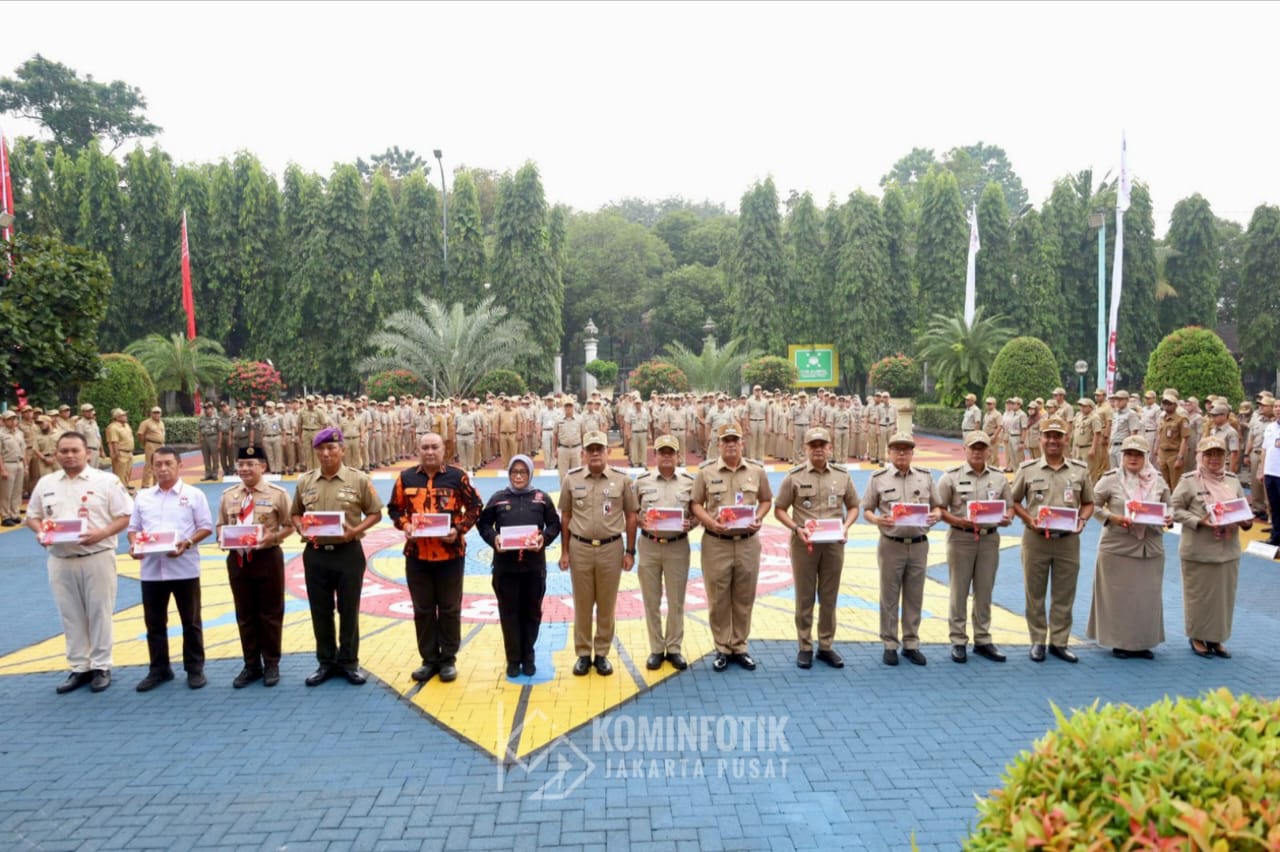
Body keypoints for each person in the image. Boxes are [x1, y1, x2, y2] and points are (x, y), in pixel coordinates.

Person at [26, 431, 133, 693]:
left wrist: (102, 533)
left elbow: (125, 515)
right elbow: (32, 516)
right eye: (64, 451)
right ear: (56, 454)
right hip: (60, 558)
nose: (70, 455)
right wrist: (40, 532)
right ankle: (79, 667)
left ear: (87, 453)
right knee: (70, 614)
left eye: (75, 450)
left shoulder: (106, 481)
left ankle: (101, 666)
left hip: (96, 556)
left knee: (99, 612)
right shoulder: (46, 483)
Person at [290, 426, 384, 686]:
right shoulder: (305, 481)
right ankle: (326, 662)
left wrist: (355, 530)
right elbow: (295, 513)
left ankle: (349, 662)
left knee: (348, 609)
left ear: (343, 450)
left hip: (348, 553)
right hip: (316, 554)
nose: (326, 453)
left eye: (331, 448)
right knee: (320, 610)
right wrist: (300, 528)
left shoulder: (358, 479)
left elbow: (375, 513)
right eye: (320, 449)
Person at [386, 432, 482, 684]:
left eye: (434, 447)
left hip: (450, 555)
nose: (429, 452)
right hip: (417, 556)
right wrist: (405, 525)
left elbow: (475, 506)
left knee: (449, 608)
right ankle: (429, 660)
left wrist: (458, 529)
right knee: (423, 609)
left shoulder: (457, 477)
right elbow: (394, 509)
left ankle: (448, 659)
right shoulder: (406, 478)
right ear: (418, 450)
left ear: (444, 450)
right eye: (425, 447)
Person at [127, 446, 214, 691]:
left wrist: (188, 542)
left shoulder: (194, 495)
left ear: (179, 466)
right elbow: (133, 528)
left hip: (184, 568)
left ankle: (194, 669)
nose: (163, 469)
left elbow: (205, 527)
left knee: (191, 621)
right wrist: (134, 545)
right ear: (151, 467)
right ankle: (159, 669)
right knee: (154, 623)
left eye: (168, 464)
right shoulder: (143, 497)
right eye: (158, 464)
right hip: (152, 570)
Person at [774, 427, 859, 669]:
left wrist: (846, 526)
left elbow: (854, 506)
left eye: (822, 445)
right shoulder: (794, 477)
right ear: (806, 449)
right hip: (805, 544)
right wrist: (795, 528)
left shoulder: (842, 476)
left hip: (833, 545)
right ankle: (805, 646)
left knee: (829, 596)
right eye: (813, 445)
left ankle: (826, 645)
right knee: (805, 596)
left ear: (830, 448)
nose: (818, 449)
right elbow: (780, 509)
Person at [1011, 416, 1094, 663]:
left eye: (1058, 436)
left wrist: (1082, 520)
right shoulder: (1028, 469)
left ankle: (1059, 642)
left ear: (1066, 439)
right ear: (1040, 439)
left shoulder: (1079, 470)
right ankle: (1037, 640)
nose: (1053, 441)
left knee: (1064, 594)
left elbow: (1088, 503)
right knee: (1034, 593)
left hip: (1068, 541)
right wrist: (1029, 519)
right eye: (1048, 436)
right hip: (1036, 539)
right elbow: (1013, 501)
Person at [691, 424, 772, 671]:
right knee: (718, 598)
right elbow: (695, 504)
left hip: (748, 543)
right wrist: (710, 522)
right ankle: (722, 648)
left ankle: (740, 646)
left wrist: (758, 517)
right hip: (717, 543)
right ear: (719, 444)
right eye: (726, 440)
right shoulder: (705, 472)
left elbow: (766, 500)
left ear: (742, 443)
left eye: (734, 440)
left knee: (744, 597)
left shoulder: (756, 471)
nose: (730, 444)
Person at [558, 431, 638, 676]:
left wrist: (630, 551)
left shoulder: (622, 480)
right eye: (590, 449)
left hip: (611, 549)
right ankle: (583, 653)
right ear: (583, 453)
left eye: (599, 449)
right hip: (580, 548)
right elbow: (566, 516)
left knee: (606, 604)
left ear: (607, 452)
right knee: (582, 604)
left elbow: (631, 516)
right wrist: (564, 552)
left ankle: (602, 653)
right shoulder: (571, 479)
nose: (595, 453)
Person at [861, 432, 941, 666]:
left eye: (906, 449)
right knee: (889, 595)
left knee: (914, 595)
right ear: (889, 453)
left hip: (918, 544)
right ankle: (889, 644)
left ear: (913, 453)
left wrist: (935, 516)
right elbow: (867, 509)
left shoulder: (925, 477)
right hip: (891, 545)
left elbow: (938, 506)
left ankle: (911, 642)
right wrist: (877, 520)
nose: (902, 453)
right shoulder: (878, 478)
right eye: (897, 449)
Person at [1086, 435, 1170, 659]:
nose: (1133, 458)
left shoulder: (1158, 480)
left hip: (1149, 547)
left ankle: (1143, 642)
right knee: (1119, 596)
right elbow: (1091, 504)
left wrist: (1169, 517)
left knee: (1146, 596)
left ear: (1146, 457)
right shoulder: (1110, 479)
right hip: (1118, 545)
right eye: (1129, 454)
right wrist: (1112, 517)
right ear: (1122, 456)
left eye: (1138, 455)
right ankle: (1120, 642)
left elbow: (1170, 507)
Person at [478, 454, 561, 677]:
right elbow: (483, 524)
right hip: (506, 569)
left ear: (530, 473)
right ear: (509, 474)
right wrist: (494, 539)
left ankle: (528, 656)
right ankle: (513, 659)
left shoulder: (542, 499)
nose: (518, 476)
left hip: (534, 568)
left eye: (523, 472)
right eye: (514, 472)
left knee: (532, 613)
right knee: (509, 613)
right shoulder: (498, 498)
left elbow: (554, 525)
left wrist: (544, 538)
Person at [218, 444, 294, 688]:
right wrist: (222, 537)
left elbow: (290, 525)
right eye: (241, 464)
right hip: (238, 560)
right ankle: (251, 664)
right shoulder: (229, 495)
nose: (245, 469)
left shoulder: (278, 494)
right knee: (245, 613)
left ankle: (271, 663)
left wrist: (273, 537)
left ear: (263, 466)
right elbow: (221, 524)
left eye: (251, 464)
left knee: (270, 613)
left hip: (267, 558)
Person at [936, 431, 1013, 663]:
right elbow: (939, 508)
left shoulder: (999, 478)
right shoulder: (950, 477)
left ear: (989, 451)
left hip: (989, 539)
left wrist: (1008, 517)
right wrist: (958, 521)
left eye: (982, 448)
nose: (977, 452)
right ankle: (958, 640)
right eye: (973, 448)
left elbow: (1009, 506)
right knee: (959, 591)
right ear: (965, 449)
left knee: (984, 589)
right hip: (961, 538)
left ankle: (982, 638)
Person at [1171, 435, 1251, 659]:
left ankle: (1216, 638)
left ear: (1225, 457)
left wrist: (1246, 521)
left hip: (1227, 551)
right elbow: (1174, 509)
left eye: (1218, 454)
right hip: (1199, 550)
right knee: (1199, 597)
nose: (1214, 459)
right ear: (1200, 456)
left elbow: (1242, 509)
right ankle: (1197, 637)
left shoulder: (1232, 481)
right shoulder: (1189, 481)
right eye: (1209, 454)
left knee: (1223, 599)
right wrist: (1199, 521)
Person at [632, 435, 697, 672]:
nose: (667, 456)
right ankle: (657, 649)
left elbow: (698, 511)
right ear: (655, 455)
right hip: (649, 545)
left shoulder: (690, 482)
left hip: (677, 546)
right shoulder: (641, 482)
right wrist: (641, 522)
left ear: (678, 456)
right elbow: (631, 512)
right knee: (651, 601)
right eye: (662, 452)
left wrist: (693, 523)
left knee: (676, 600)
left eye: (671, 452)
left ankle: (674, 647)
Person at [1155, 390, 1190, 488]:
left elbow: (1184, 439)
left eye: (1170, 404)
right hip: (1163, 453)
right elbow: (1159, 436)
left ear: (1175, 405)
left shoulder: (1181, 419)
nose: (1167, 406)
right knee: (1164, 484)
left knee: (1175, 484)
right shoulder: (1162, 418)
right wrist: (1158, 453)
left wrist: (1180, 457)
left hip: (1174, 454)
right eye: (1165, 403)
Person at [0, 409, 27, 525]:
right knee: (6, 492)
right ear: (4, 421)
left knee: (17, 491)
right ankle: (5, 516)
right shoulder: (1, 434)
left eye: (14, 418)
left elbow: (23, 450)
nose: (12, 421)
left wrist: (25, 465)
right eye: (9, 419)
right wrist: (2, 469)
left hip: (19, 463)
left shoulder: (19, 433)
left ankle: (14, 513)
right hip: (8, 463)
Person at [105, 407, 135, 492]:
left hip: (129, 452)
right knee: (120, 473)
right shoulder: (113, 427)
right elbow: (113, 441)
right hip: (121, 452)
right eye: (123, 415)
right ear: (117, 417)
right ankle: (120, 491)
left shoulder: (126, 425)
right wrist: (115, 453)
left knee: (128, 472)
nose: (126, 416)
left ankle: (125, 486)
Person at [136, 406, 166, 489]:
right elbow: (140, 434)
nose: (157, 414)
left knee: (159, 464)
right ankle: (145, 484)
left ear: (161, 413)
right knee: (149, 465)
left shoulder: (161, 423)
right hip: (151, 444)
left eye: (158, 412)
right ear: (151, 413)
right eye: (155, 412)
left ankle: (157, 483)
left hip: (160, 445)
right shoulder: (146, 423)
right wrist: (144, 444)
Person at [197, 401, 221, 480]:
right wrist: (199, 441)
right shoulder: (202, 418)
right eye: (205, 408)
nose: (207, 410)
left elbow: (220, 431)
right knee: (206, 458)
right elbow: (199, 430)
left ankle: (215, 473)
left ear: (212, 409)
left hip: (213, 438)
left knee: (215, 457)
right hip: (204, 439)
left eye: (208, 408)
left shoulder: (217, 418)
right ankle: (208, 473)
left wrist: (219, 443)